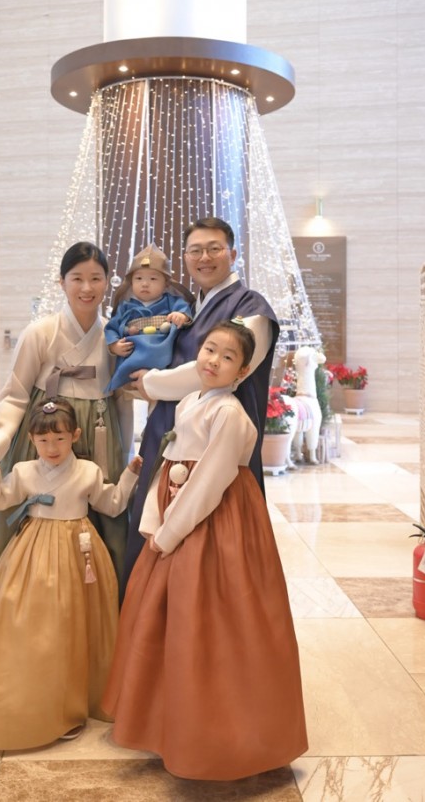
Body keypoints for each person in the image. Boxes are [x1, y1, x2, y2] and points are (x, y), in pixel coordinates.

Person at [103, 320, 308, 781]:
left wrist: (170, 532)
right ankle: (167, 721)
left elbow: (209, 482)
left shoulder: (229, 414)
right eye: (209, 349)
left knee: (214, 621)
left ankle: (223, 733)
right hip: (178, 516)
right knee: (169, 619)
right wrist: (154, 520)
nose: (213, 361)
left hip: (217, 523)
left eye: (227, 357)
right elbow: (169, 468)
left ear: (243, 371)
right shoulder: (190, 400)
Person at [0, 241, 129, 689]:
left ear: (108, 282)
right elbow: (15, 398)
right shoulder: (40, 333)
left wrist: (124, 453)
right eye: (77, 278)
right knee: (16, 542)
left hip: (100, 441)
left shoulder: (114, 336)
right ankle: (9, 662)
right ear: (62, 282)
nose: (86, 287)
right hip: (41, 442)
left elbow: (122, 401)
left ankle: (96, 666)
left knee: (104, 539)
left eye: (95, 278)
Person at [0, 399, 142, 750]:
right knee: (30, 621)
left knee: (73, 622)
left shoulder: (88, 471)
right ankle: (26, 696)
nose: (52, 447)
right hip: (32, 550)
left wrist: (131, 473)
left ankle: (71, 701)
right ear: (31, 439)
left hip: (80, 551)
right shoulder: (24, 471)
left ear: (75, 435)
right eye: (43, 440)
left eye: (60, 439)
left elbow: (112, 504)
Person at [121, 216, 280, 594]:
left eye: (214, 249)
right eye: (195, 250)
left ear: (233, 254)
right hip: (168, 435)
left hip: (215, 443)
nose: (204, 258)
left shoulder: (252, 308)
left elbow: (211, 371)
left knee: (210, 552)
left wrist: (151, 383)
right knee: (152, 531)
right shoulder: (187, 309)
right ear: (185, 257)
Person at [104, 243, 194, 393]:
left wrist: (181, 316)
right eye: (139, 278)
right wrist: (114, 346)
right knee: (127, 380)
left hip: (163, 351)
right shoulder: (126, 306)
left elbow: (185, 311)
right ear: (131, 282)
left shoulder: (171, 301)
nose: (145, 284)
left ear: (166, 284)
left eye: (153, 279)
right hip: (133, 352)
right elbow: (112, 327)